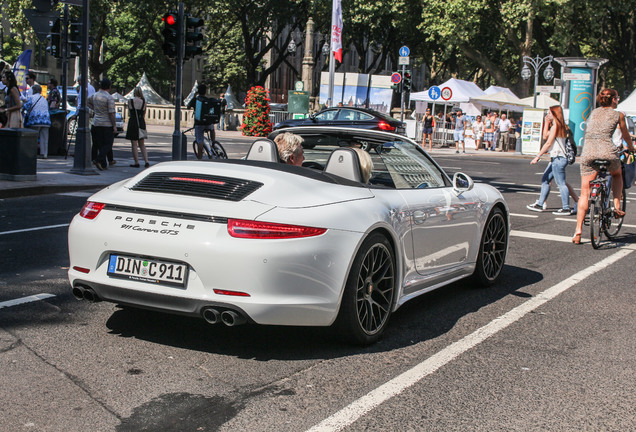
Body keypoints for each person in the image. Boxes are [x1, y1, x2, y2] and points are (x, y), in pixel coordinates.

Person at [572, 88, 635, 244]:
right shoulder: (618, 115)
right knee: (617, 174)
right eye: (617, 98)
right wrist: (632, 148)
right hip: (607, 152)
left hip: (588, 153)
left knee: (585, 193)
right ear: (613, 99)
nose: (618, 100)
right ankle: (617, 206)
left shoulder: (593, 113)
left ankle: (578, 232)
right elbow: (626, 136)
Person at [527, 106, 574, 215]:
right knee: (545, 179)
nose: (547, 115)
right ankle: (540, 204)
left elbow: (547, 143)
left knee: (561, 183)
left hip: (558, 158)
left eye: (549, 113)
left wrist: (538, 156)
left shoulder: (555, 127)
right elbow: (545, 136)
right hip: (557, 158)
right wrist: (546, 123)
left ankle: (566, 207)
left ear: (555, 114)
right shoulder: (561, 126)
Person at [87, 78, 117, 171]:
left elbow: (87, 102)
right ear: (109, 87)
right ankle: (98, 159)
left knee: (100, 144)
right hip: (106, 124)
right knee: (108, 144)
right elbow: (111, 113)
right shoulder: (109, 98)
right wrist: (114, 126)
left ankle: (103, 164)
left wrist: (94, 108)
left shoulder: (95, 95)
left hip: (96, 123)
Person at [186, 84, 215, 160]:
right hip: (208, 122)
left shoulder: (195, 100)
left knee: (199, 140)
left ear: (198, 91)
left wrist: (194, 96)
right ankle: (213, 143)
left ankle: (200, 158)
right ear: (205, 92)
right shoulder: (207, 100)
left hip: (199, 123)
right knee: (212, 129)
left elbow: (188, 106)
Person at [23, 84, 51, 158]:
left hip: (35, 120)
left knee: (34, 137)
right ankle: (44, 154)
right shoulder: (44, 99)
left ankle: (32, 152)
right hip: (46, 121)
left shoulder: (32, 98)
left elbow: (26, 107)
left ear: (33, 90)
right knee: (45, 138)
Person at [125, 87, 150, 168]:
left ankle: (136, 162)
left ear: (134, 92)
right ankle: (146, 161)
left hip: (133, 122)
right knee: (142, 144)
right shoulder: (143, 102)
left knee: (134, 144)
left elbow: (129, 111)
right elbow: (144, 113)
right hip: (141, 122)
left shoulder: (130, 101)